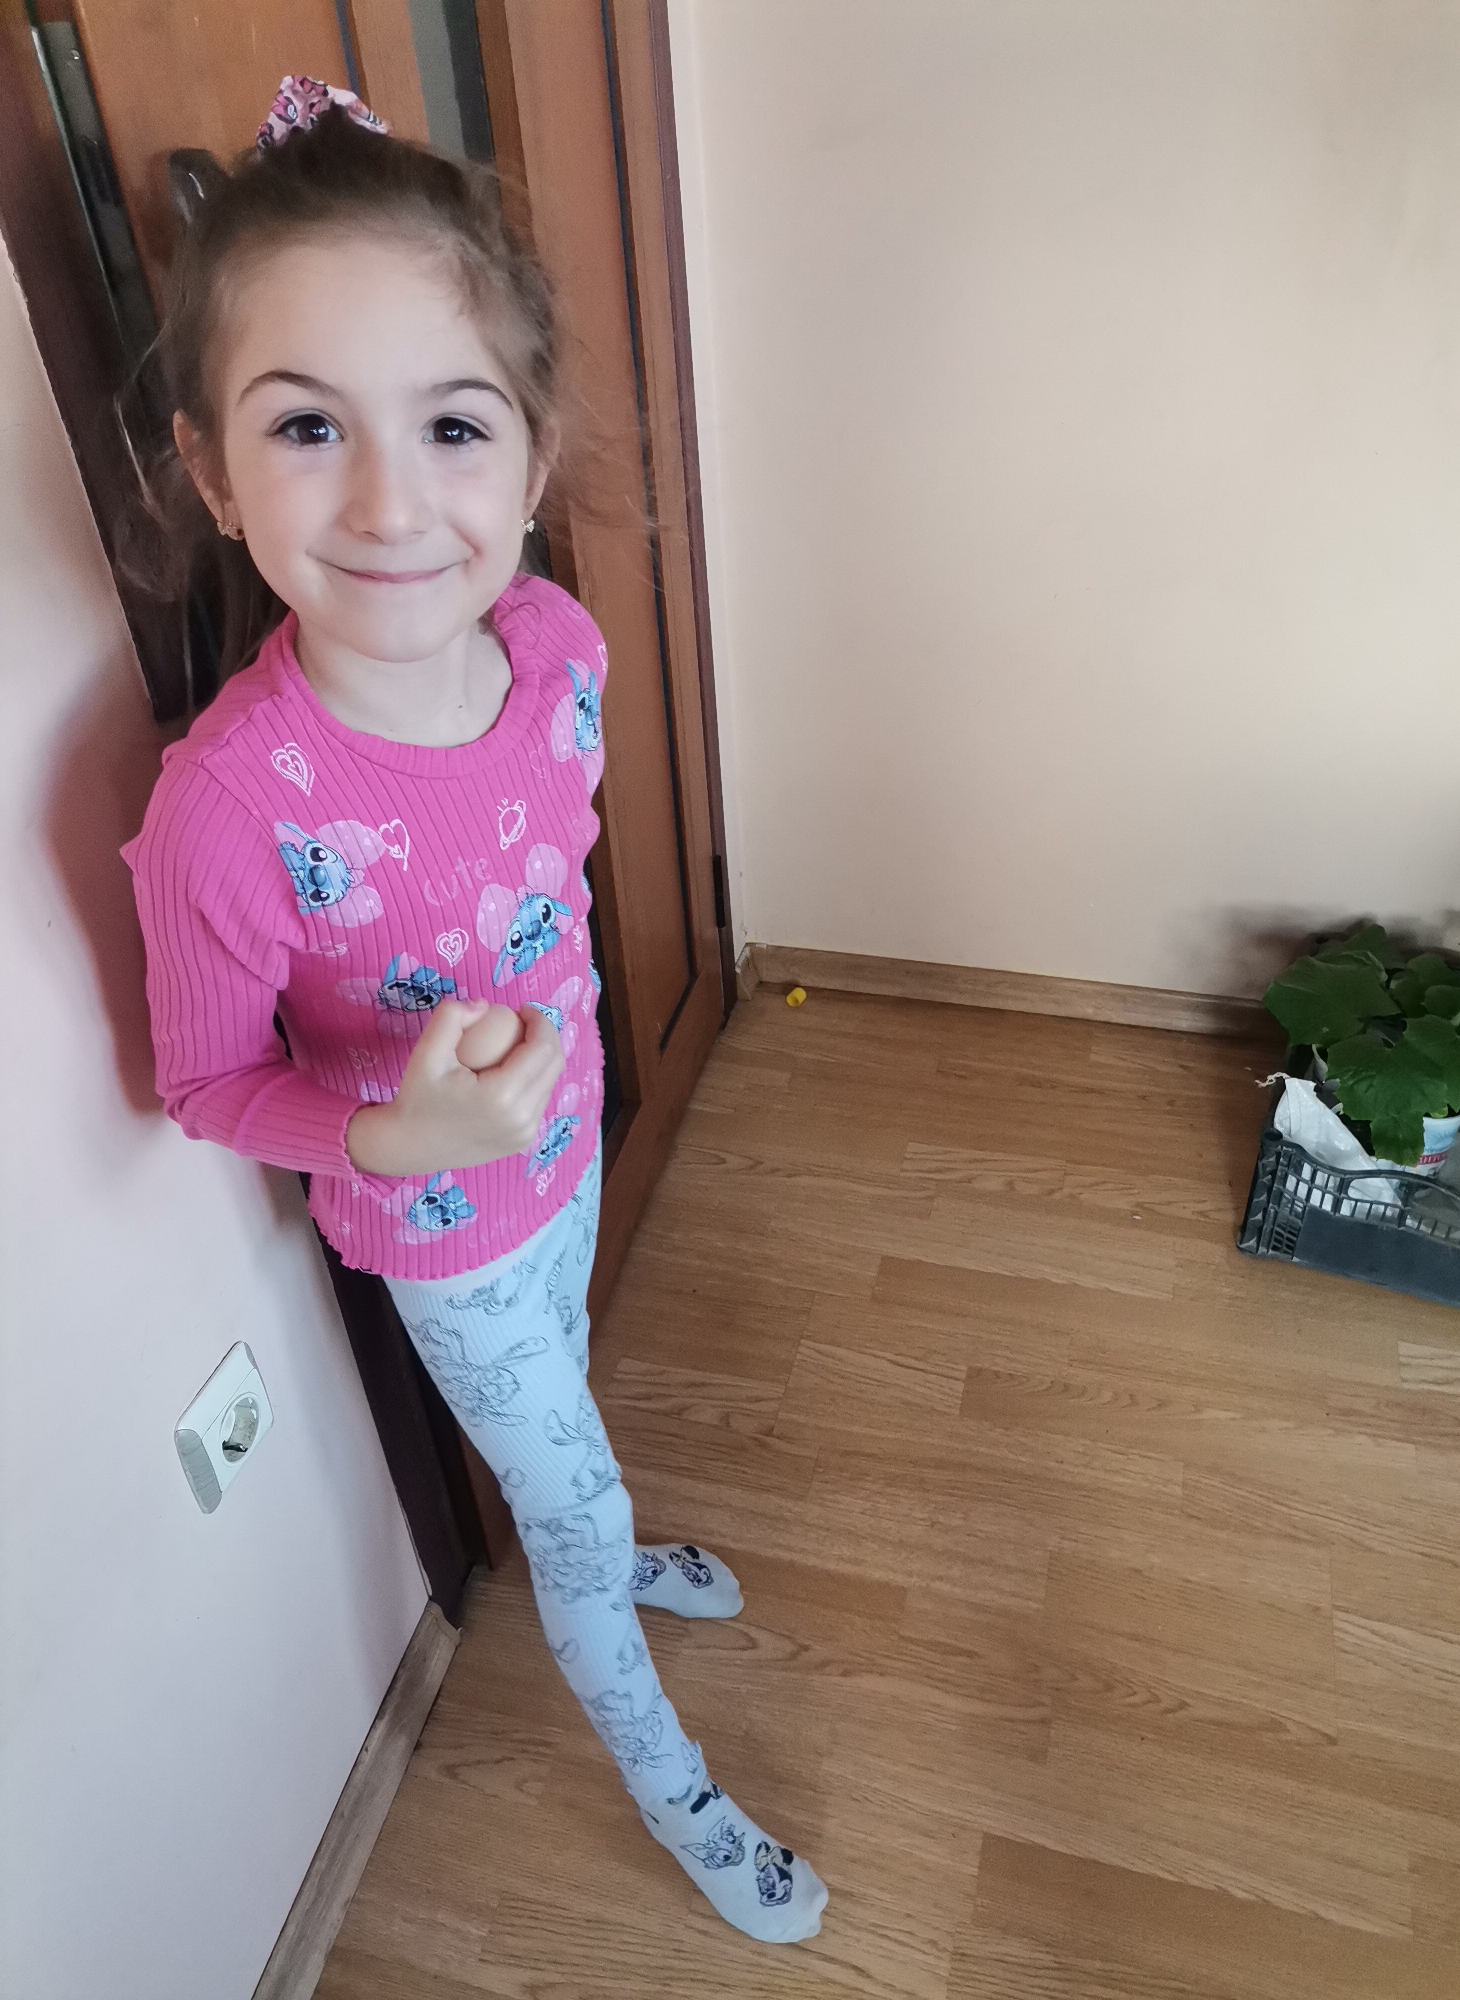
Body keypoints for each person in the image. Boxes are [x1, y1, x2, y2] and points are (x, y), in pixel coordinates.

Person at [122, 76, 826, 1947]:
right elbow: (204, 1083)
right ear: (212, 470)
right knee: (567, 1517)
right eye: (305, 426)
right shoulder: (224, 811)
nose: (387, 502)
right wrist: (390, 1131)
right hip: (443, 1234)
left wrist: (543, 1093)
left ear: (531, 455)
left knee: (569, 1409)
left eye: (449, 423)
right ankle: (681, 1794)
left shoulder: (558, 651)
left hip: (570, 1147)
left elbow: (546, 880)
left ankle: (598, 1518)